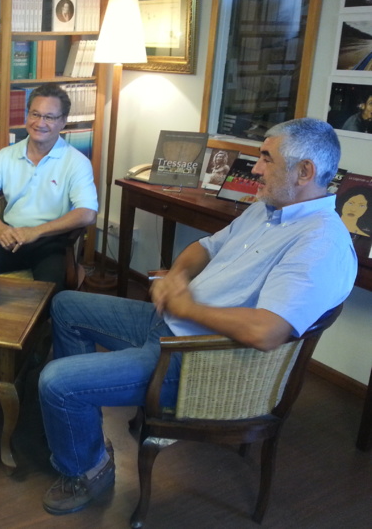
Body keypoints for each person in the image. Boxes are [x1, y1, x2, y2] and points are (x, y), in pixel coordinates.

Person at [38, 117, 357, 515]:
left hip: (195, 357)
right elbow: (205, 247)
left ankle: (87, 466)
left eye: (265, 159)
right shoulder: (268, 209)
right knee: (66, 305)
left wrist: (185, 306)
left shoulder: (319, 244)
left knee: (56, 382)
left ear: (305, 171)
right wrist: (176, 277)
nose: (255, 169)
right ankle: (79, 431)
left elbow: (267, 332)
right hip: (170, 323)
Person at [0, 83, 97, 291]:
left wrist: (36, 231)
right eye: (35, 114)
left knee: (48, 295)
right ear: (27, 116)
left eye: (50, 117)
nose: (40, 123)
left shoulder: (77, 162)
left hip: (51, 243)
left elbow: (87, 213)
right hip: (9, 237)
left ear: (63, 121)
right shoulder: (6, 156)